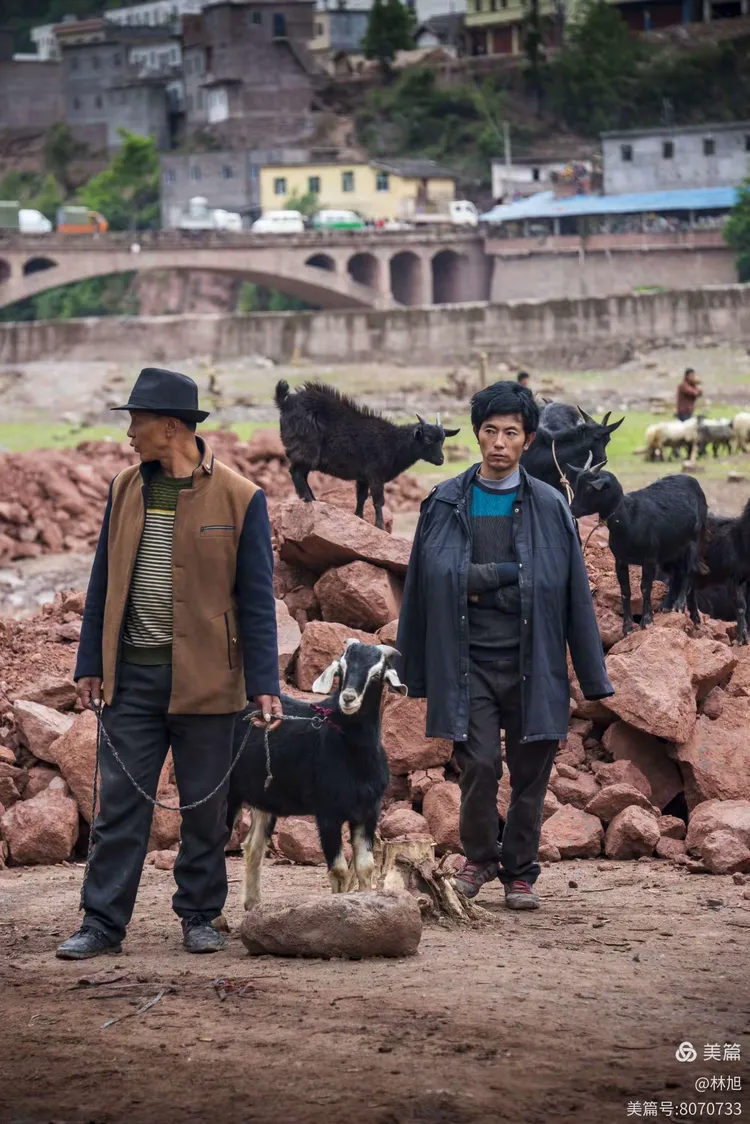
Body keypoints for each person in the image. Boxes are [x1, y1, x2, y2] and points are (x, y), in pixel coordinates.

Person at [57, 368, 281, 960]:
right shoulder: (124, 488)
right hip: (132, 678)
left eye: (136, 422)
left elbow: (258, 598)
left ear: (171, 427)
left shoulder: (240, 497)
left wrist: (263, 682)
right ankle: (102, 922)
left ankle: (200, 916)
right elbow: (102, 580)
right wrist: (90, 661)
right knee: (119, 808)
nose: (128, 434)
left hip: (211, 682)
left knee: (206, 810)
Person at [397, 381, 613, 909]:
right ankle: (478, 859)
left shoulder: (549, 506)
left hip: (532, 661)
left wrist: (593, 676)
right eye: (489, 431)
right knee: (479, 766)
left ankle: (519, 871)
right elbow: (423, 589)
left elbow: (573, 595)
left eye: (510, 433)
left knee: (531, 769)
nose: (499, 442)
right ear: (476, 435)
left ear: (528, 439)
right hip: (466, 661)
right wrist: (412, 668)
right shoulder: (444, 502)